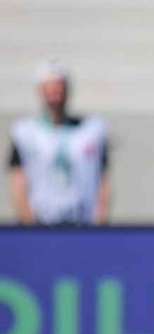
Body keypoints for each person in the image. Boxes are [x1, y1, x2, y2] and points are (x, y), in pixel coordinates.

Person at [7, 60, 111, 225]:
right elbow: (18, 181)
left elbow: (103, 179)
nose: (55, 96)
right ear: (41, 92)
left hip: (82, 222)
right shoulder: (25, 133)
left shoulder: (91, 131)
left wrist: (100, 221)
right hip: (41, 221)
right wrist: (29, 224)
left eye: (59, 90)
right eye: (50, 90)